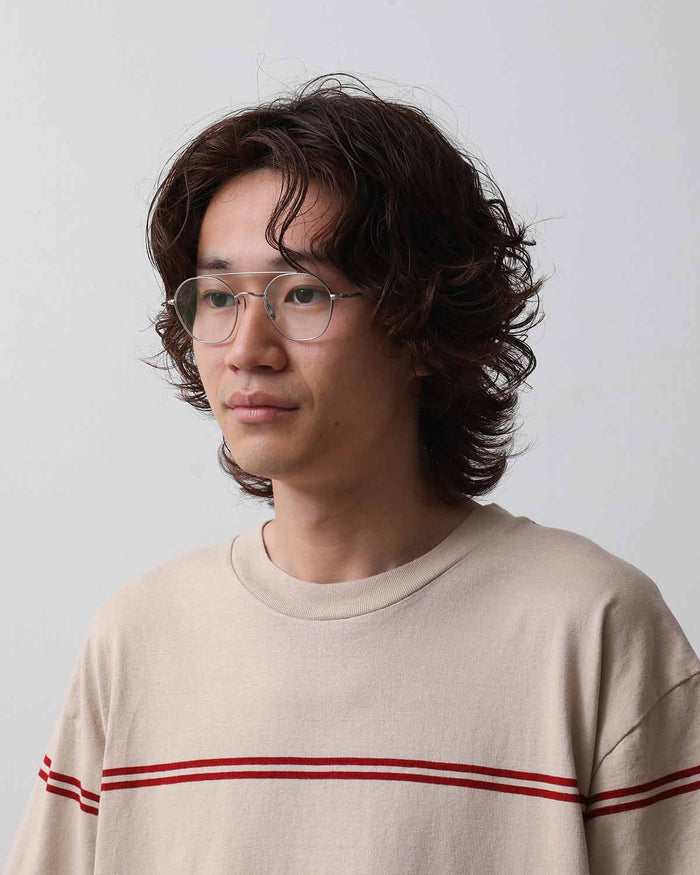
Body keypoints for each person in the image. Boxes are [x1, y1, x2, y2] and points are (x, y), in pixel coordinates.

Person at [5, 74, 699, 874]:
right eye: (219, 296)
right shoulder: (138, 638)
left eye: (303, 292)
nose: (246, 348)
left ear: (420, 323)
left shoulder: (592, 627)